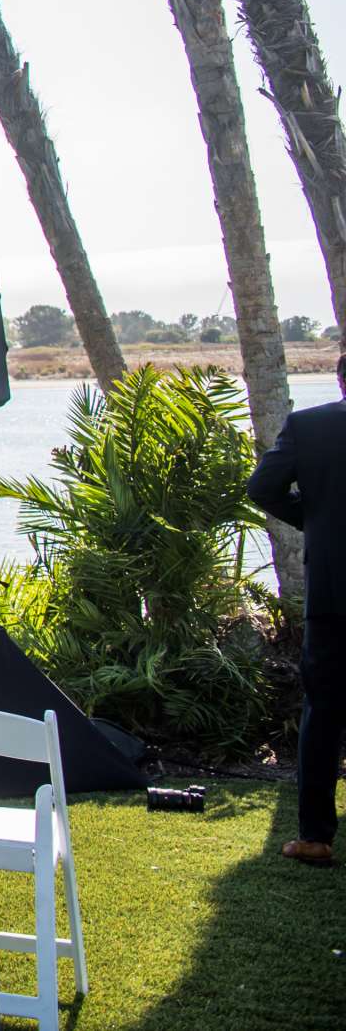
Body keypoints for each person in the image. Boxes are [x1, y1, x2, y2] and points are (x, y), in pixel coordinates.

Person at [247, 356, 346, 866]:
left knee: (324, 711)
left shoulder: (308, 427)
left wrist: (317, 520)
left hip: (333, 593)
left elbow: (262, 488)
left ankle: (315, 837)